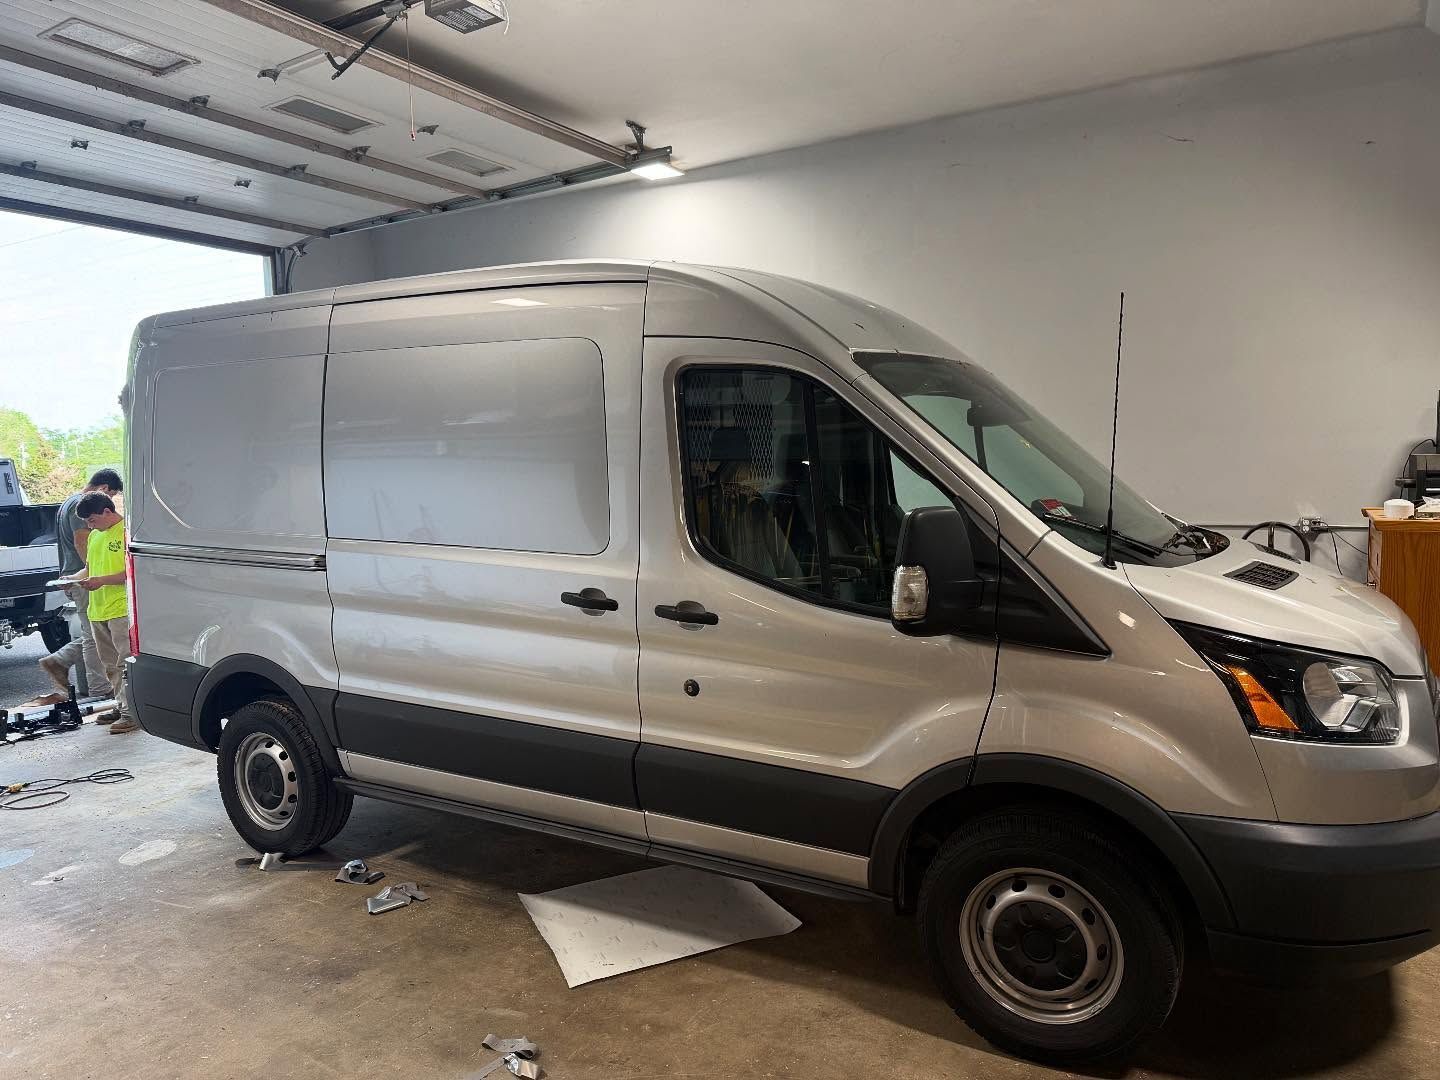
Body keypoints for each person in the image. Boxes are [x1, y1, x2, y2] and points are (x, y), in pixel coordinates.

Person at [39, 470, 122, 716]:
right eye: (112, 494)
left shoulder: (72, 503)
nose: (90, 525)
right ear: (104, 488)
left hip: (109, 596)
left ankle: (67, 665)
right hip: (94, 592)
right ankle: (103, 692)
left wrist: (92, 577)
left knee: (105, 644)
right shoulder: (89, 520)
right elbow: (83, 548)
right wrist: (83, 576)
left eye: (92, 521)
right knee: (98, 643)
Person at [74, 490, 137, 734]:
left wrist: (101, 581)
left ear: (107, 511)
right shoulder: (94, 536)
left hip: (121, 608)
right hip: (97, 609)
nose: (90, 526)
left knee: (125, 663)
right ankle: (121, 705)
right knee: (110, 665)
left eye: (92, 520)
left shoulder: (126, 533)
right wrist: (72, 579)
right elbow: (89, 570)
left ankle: (132, 713)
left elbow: (131, 572)